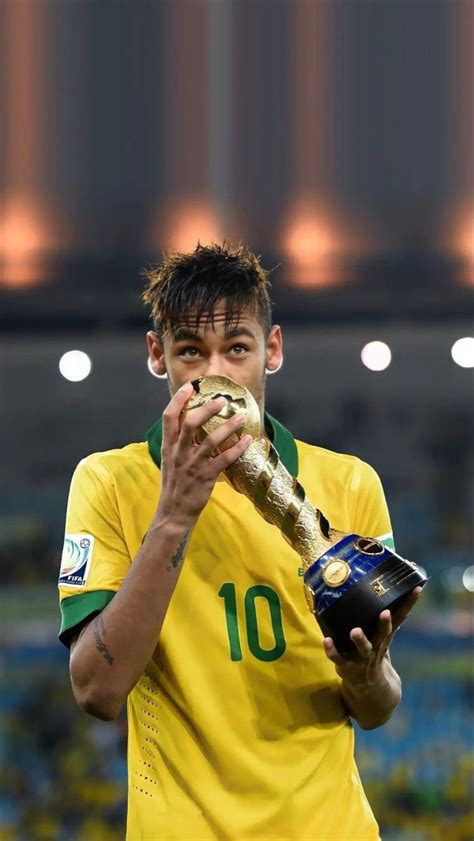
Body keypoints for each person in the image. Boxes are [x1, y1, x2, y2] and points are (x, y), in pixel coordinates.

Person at [58, 242, 421, 841]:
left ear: (271, 350)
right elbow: (96, 690)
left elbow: (378, 708)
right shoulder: (109, 482)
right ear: (158, 357)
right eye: (191, 352)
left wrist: (366, 673)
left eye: (238, 348)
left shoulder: (350, 484)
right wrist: (174, 512)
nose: (216, 377)